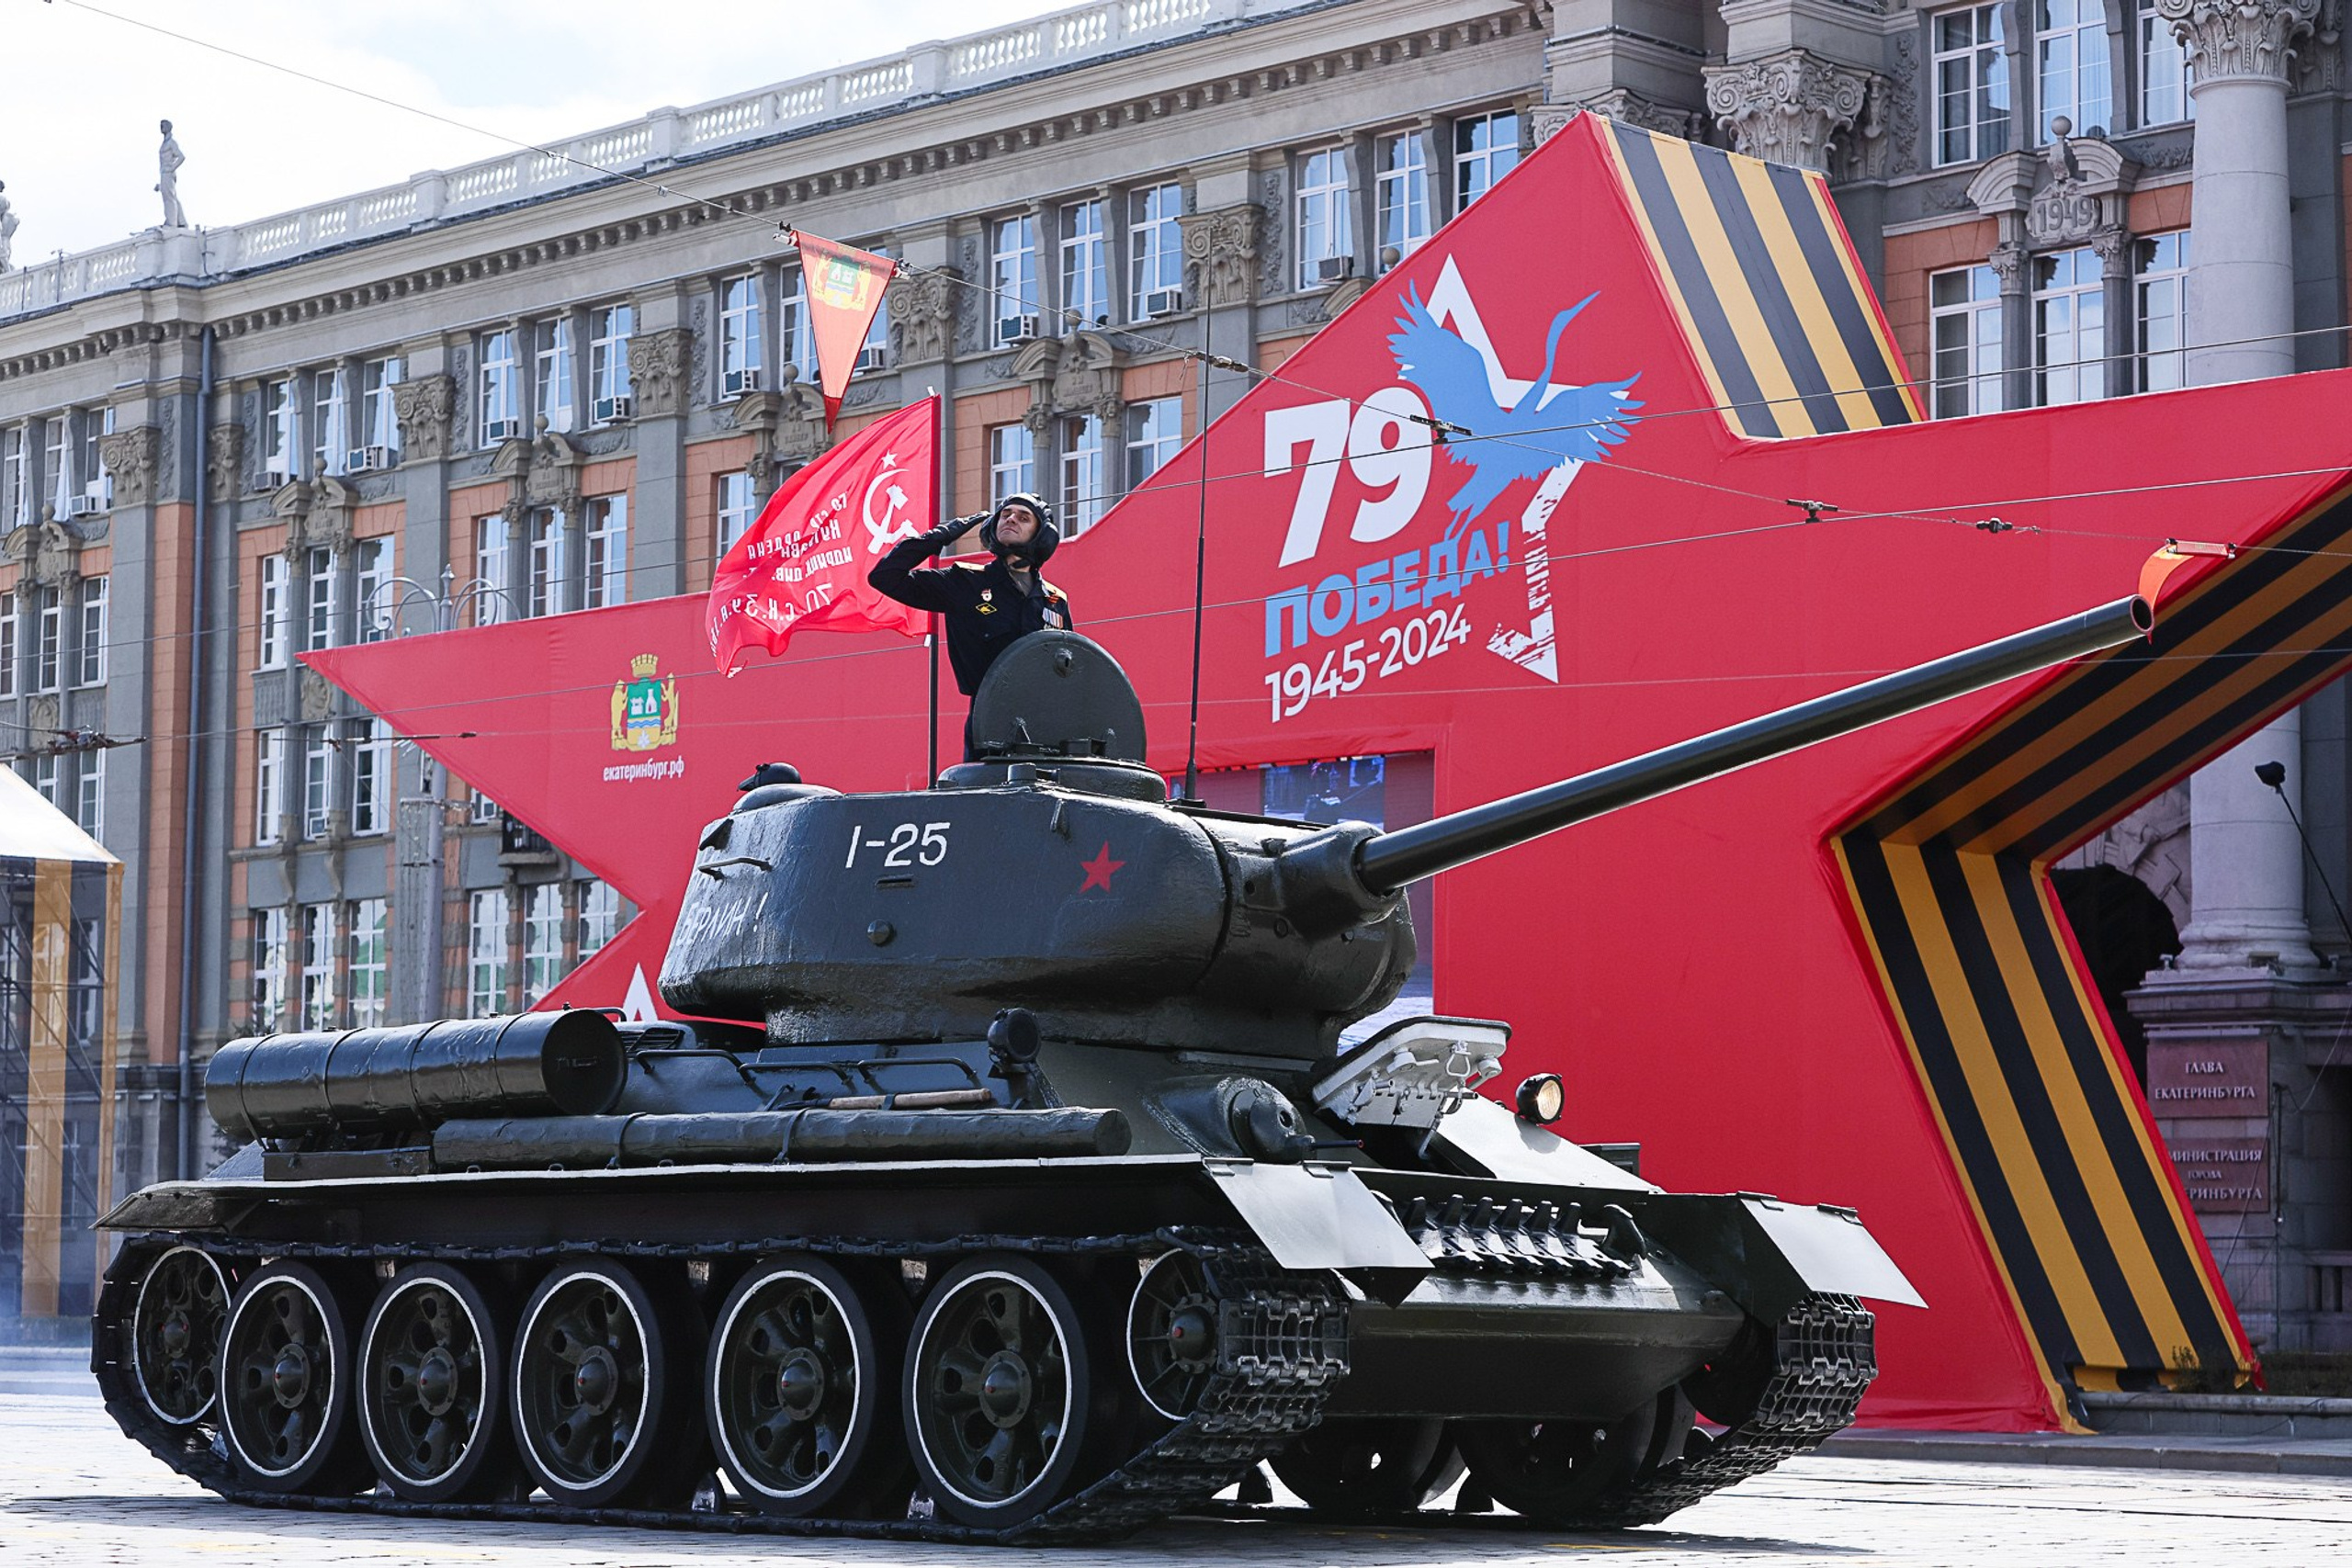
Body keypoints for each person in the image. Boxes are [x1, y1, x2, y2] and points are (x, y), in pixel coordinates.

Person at [868, 492, 1073, 757]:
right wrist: (944, 534)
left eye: (1023, 518)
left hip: (1046, 722)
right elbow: (885, 577)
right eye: (1005, 514)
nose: (1010, 520)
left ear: (1041, 535)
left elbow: (1068, 669)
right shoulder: (966, 582)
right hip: (990, 720)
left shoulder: (1054, 600)